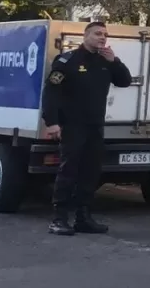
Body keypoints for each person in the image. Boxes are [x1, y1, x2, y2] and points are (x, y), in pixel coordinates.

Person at [41, 21, 133, 236]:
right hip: (73, 125)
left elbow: (125, 81)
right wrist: (51, 122)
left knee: (90, 172)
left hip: (95, 126)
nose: (102, 37)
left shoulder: (105, 61)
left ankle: (83, 218)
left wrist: (115, 61)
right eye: (98, 34)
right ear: (86, 36)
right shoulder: (68, 60)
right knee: (68, 171)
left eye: (105, 34)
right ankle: (59, 219)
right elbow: (51, 92)